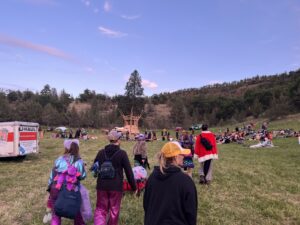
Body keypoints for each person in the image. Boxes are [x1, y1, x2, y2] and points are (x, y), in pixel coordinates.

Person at [143, 141, 198, 225]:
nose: (184, 157)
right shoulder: (186, 181)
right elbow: (191, 214)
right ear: (176, 157)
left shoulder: (152, 177)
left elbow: (146, 206)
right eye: (182, 154)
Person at [93, 130, 136, 225]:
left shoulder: (100, 153)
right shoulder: (122, 153)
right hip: (116, 186)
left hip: (101, 185)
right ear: (118, 140)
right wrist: (134, 187)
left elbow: (94, 168)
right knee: (114, 211)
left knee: (100, 209)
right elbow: (129, 172)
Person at [47, 139, 86, 225]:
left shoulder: (59, 159)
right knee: (76, 211)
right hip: (72, 190)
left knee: (56, 213)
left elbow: (52, 174)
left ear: (66, 148)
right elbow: (83, 176)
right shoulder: (79, 161)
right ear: (77, 148)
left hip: (56, 187)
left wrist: (49, 187)